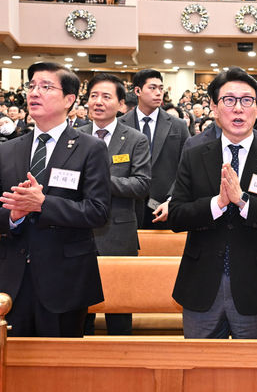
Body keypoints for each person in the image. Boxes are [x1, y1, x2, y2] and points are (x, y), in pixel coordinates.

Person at [0, 62, 111, 337]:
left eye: (46, 87)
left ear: (69, 100)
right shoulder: (7, 151)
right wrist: (13, 216)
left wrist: (43, 204)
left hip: (65, 279)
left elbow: (97, 211)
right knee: (13, 358)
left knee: (60, 360)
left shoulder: (90, 148)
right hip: (13, 280)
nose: (34, 92)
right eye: (32, 86)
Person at [169, 67, 257, 339]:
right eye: (229, 100)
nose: (238, 108)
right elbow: (177, 216)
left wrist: (243, 201)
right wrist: (217, 203)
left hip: (256, 286)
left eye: (246, 100)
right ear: (215, 108)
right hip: (202, 284)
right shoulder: (194, 155)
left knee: (255, 366)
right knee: (198, 364)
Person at [80, 73, 151, 335]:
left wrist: (100, 181)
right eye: (94, 96)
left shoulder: (135, 139)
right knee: (80, 310)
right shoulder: (74, 136)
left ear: (121, 104)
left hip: (118, 234)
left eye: (106, 96)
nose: (98, 102)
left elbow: (141, 185)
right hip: (79, 232)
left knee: (119, 312)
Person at [118, 69, 190, 229]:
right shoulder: (120, 124)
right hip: (126, 206)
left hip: (164, 207)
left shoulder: (178, 125)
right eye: (152, 88)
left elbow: (186, 167)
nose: (158, 93)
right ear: (138, 91)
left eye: (161, 88)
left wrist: (172, 199)